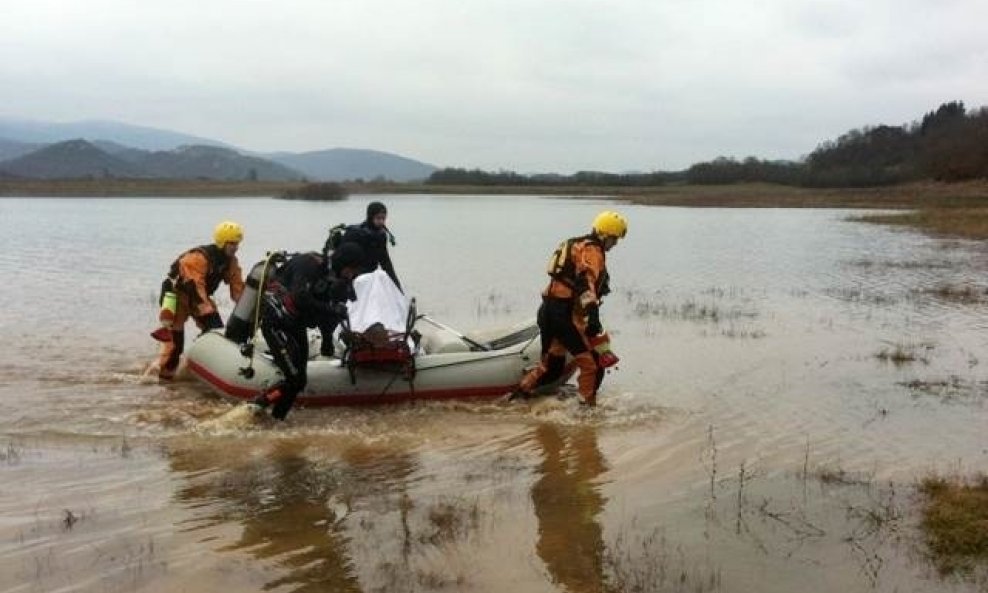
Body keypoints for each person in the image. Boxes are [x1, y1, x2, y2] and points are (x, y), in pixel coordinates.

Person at [514, 211, 628, 406]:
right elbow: (586, 282)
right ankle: (586, 411)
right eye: (613, 239)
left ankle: (518, 397)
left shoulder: (575, 244)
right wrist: (593, 317)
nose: (615, 244)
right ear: (604, 235)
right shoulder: (593, 251)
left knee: (551, 367)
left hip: (547, 311)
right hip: (563, 315)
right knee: (591, 365)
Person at [252, 242, 365, 420]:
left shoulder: (337, 281)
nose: (352, 275)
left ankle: (276, 420)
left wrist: (327, 340)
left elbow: (326, 314)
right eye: (351, 270)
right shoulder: (309, 265)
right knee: (294, 379)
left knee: (299, 382)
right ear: (342, 263)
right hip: (276, 323)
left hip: (296, 325)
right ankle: (258, 404)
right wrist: (331, 310)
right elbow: (300, 298)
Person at [154, 221, 245, 380]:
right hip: (177, 297)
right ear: (222, 242)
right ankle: (165, 379)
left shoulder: (231, 262)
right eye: (232, 243)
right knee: (175, 346)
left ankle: (204, 365)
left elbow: (237, 289)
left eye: (237, 243)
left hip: (198, 297)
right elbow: (194, 285)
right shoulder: (197, 258)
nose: (235, 247)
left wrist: (250, 306)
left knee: (216, 332)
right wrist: (205, 308)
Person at [340, 201, 401, 290]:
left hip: (370, 277)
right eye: (378, 218)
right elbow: (341, 258)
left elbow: (385, 262)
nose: (381, 222)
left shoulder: (381, 235)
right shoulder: (355, 233)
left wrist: (397, 287)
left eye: (383, 219)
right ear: (370, 217)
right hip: (353, 277)